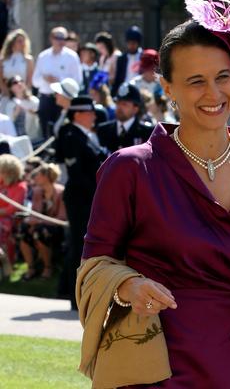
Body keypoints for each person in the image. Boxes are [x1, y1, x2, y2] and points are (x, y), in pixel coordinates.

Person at [78, 0, 230, 387]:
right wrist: (128, 284)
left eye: (222, 77)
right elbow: (93, 267)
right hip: (149, 365)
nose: (214, 93)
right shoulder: (130, 168)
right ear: (168, 88)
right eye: (196, 81)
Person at [56, 96, 108, 309]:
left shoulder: (85, 135)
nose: (94, 116)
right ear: (78, 114)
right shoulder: (71, 135)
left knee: (84, 245)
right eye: (90, 112)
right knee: (79, 245)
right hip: (81, 198)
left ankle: (79, 291)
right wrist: (99, 192)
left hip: (89, 197)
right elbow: (77, 173)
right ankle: (76, 296)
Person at [18, 163, 66, 280]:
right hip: (40, 225)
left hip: (56, 228)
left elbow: (61, 218)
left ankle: (47, 267)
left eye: (38, 175)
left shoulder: (61, 192)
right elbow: (34, 213)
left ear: (46, 176)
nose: (35, 177)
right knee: (23, 230)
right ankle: (31, 267)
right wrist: (32, 221)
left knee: (40, 233)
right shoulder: (37, 192)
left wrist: (39, 221)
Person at [32, 27, 82, 138]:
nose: (61, 41)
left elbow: (78, 80)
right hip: (46, 98)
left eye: (63, 38)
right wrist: (45, 79)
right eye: (57, 38)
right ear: (51, 38)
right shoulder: (43, 56)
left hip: (63, 100)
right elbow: (35, 81)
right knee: (45, 131)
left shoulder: (72, 56)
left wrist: (59, 80)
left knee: (62, 131)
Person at [97, 83, 154, 153]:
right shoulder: (103, 130)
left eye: (124, 104)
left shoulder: (148, 132)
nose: (119, 107)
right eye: (117, 103)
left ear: (135, 109)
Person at [0, 154, 27, 268]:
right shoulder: (1, 184)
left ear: (8, 172)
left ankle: (7, 264)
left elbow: (12, 209)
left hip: (12, 219)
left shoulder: (20, 187)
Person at [5, 75, 40, 142]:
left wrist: (33, 112)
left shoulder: (34, 100)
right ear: (10, 88)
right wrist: (16, 111)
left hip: (33, 137)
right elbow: (9, 122)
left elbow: (39, 117)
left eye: (21, 81)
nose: (19, 83)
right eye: (15, 82)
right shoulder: (9, 104)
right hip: (17, 139)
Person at [113, 26, 143, 95]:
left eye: (134, 43)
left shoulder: (143, 56)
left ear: (138, 43)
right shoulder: (122, 58)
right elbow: (118, 79)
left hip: (140, 90)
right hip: (124, 90)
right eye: (129, 43)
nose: (131, 45)